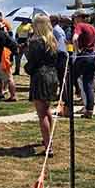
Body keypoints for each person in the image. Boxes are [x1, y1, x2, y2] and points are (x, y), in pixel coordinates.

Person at [24, 15, 59, 157]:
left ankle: (48, 146)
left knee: (42, 114)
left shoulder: (35, 42)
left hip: (40, 77)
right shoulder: (52, 40)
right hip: (52, 75)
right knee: (47, 110)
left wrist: (27, 68)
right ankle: (49, 139)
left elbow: (32, 63)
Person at [72, 11, 95, 118]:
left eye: (74, 17)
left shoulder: (80, 25)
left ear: (79, 17)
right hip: (92, 56)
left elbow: (74, 38)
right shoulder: (92, 27)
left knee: (70, 79)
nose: (74, 19)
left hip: (83, 56)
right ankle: (89, 110)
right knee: (89, 84)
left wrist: (78, 50)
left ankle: (68, 106)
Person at [0, 18, 18, 102]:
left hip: (3, 60)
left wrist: (10, 56)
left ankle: (13, 96)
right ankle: (0, 93)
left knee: (9, 78)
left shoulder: (0, 35)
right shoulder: (4, 34)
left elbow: (13, 46)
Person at [50, 15, 70, 101]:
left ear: (53, 21)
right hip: (63, 53)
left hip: (60, 54)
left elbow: (59, 43)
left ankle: (64, 96)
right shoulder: (60, 29)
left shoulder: (55, 30)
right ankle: (63, 95)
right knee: (62, 77)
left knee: (61, 76)